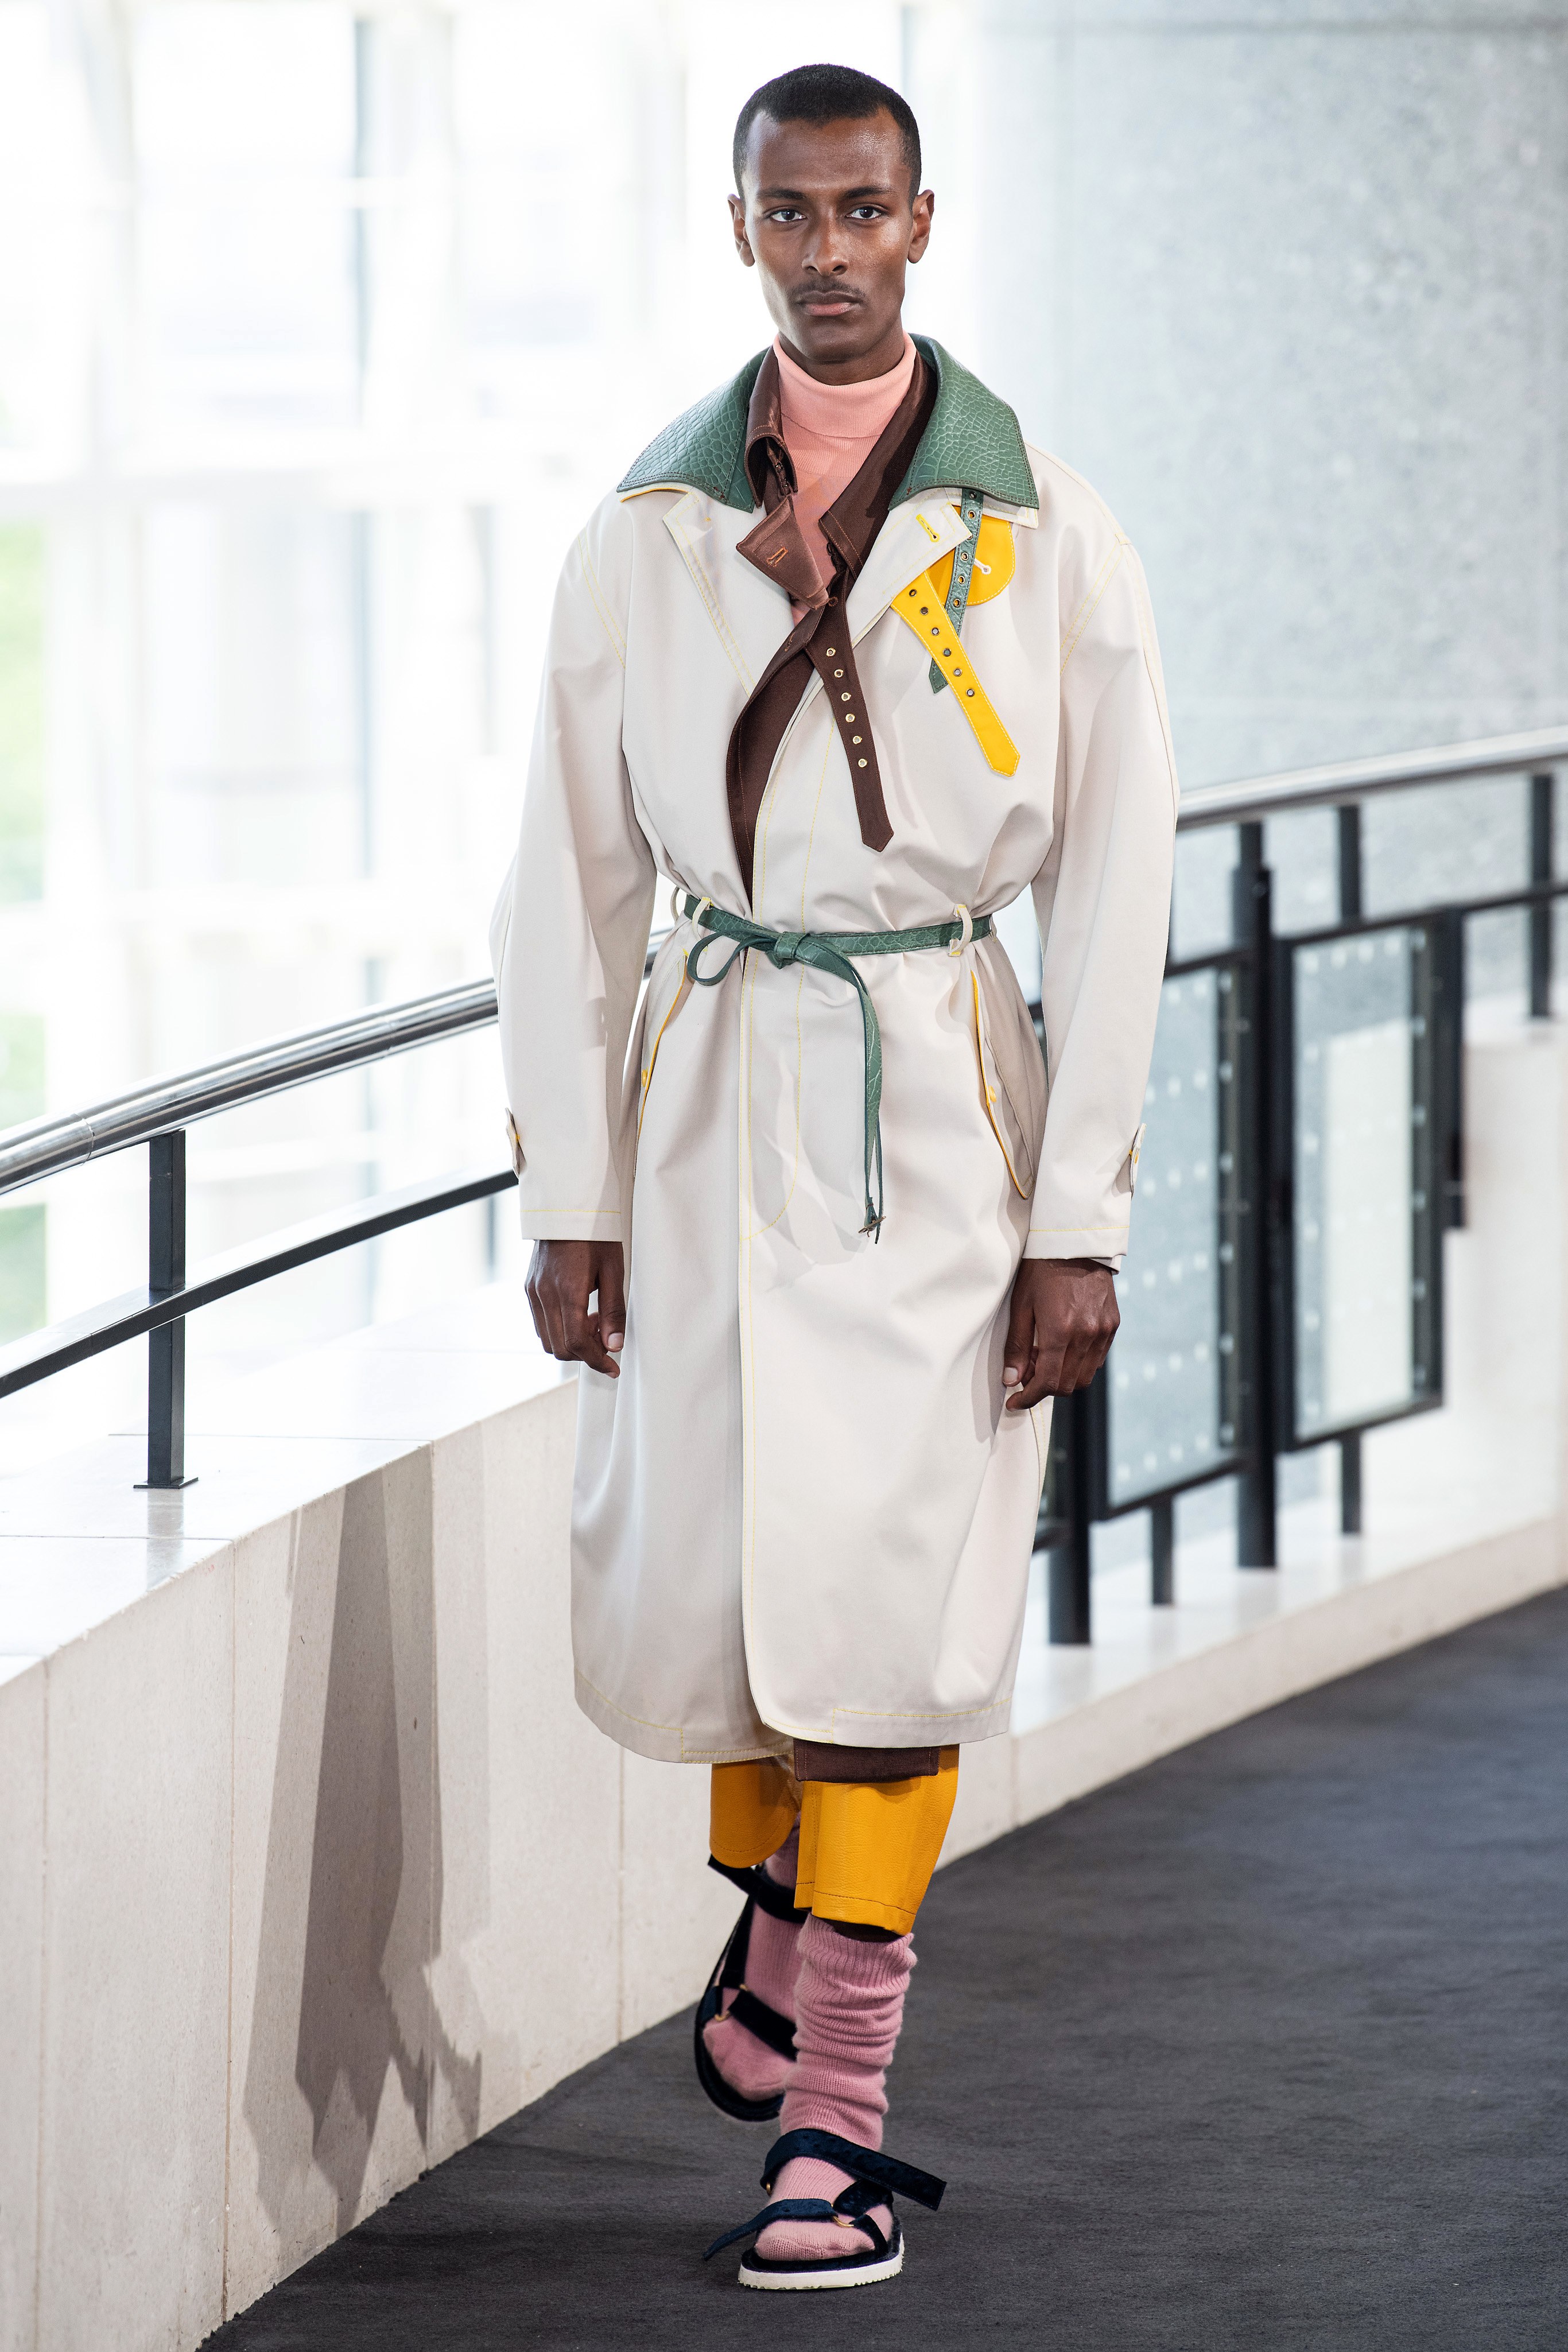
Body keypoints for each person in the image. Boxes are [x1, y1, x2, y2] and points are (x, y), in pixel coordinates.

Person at [490, 60, 1175, 2292]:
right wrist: (571, 1190)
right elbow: (566, 885)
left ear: (920, 220)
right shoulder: (639, 533)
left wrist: (1079, 1216)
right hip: (704, 1100)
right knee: (733, 1586)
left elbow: (1116, 891)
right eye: (787, 213)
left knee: (897, 1603)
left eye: (861, 208)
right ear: (740, 233)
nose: (827, 249)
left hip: (940, 1101)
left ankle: (833, 2123)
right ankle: (775, 1917)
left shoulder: (1049, 528)